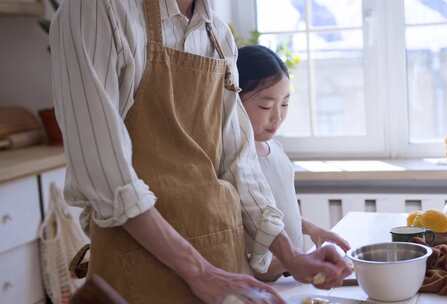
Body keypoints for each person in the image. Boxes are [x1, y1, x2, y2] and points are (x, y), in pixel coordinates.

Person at [49, 0, 351, 303]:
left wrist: (292, 255)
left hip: (224, 261)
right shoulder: (98, 11)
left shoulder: (218, 36)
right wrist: (200, 272)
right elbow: (108, 178)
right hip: (142, 271)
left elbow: (239, 162)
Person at [237, 45, 351, 281]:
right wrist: (295, 259)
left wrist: (312, 230)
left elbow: (278, 211)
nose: (277, 116)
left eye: (285, 104)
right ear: (233, 102)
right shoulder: (236, 161)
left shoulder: (276, 150)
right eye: (265, 106)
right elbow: (251, 225)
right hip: (262, 281)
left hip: (290, 276)